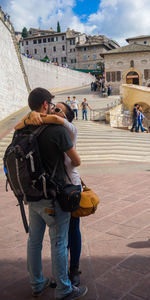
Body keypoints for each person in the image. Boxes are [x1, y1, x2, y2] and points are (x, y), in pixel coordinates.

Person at [14, 88, 87, 300]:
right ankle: (64, 289)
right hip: (53, 195)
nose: (54, 109)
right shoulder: (57, 132)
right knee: (58, 242)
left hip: (32, 195)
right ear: (46, 105)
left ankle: (37, 283)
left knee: (34, 241)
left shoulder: (23, 129)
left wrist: (30, 117)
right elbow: (77, 161)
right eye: (52, 105)